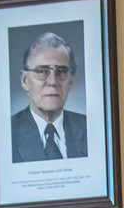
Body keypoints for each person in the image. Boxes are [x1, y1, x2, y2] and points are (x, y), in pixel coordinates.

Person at [11, 32, 88, 162]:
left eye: (61, 71)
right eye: (41, 71)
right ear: (25, 81)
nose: (52, 82)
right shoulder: (6, 133)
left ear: (70, 81)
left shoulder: (90, 128)